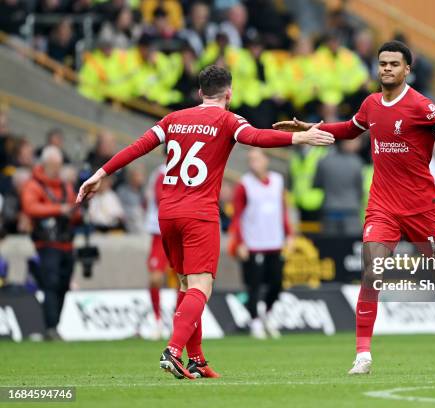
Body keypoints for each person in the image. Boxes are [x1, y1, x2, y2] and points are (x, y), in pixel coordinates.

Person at [76, 65, 334, 380]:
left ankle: (196, 358)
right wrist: (300, 137)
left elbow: (137, 148)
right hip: (199, 214)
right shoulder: (228, 119)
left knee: (186, 285)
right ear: (229, 93)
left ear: (200, 93)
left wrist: (99, 175)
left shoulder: (173, 119)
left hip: (167, 214)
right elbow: (255, 138)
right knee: (202, 285)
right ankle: (173, 350)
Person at [274, 40, 435, 374]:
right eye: (382, 63)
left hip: (422, 208)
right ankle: (362, 355)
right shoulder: (371, 104)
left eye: (393, 64)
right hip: (382, 206)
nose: (386, 68)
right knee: (372, 271)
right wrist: (310, 129)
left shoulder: (421, 107)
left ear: (407, 70)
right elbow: (347, 130)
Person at [229, 148, 292, 339]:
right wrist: (239, 241)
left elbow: (283, 210)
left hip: (274, 241)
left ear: (266, 160)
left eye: (256, 159)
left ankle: (268, 313)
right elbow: (237, 216)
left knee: (277, 283)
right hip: (253, 243)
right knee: (254, 285)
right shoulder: (244, 185)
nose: (253, 163)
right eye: (250, 160)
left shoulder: (277, 181)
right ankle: (255, 320)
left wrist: (289, 233)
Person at [20, 146, 79, 340]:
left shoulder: (65, 185)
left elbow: (72, 208)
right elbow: (30, 207)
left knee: (62, 285)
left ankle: (54, 325)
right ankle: (51, 326)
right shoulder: (34, 184)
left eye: (58, 165)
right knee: (51, 284)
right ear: (44, 164)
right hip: (46, 244)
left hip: (66, 244)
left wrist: (78, 212)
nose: (56, 169)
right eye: (53, 165)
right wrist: (57, 209)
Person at [314, 138, 363, 235]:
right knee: (351, 245)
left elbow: (317, 184)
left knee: (331, 246)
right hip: (351, 212)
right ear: (344, 142)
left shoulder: (324, 161)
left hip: (330, 210)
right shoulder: (357, 162)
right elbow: (360, 190)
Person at [144, 162, 169, 339]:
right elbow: (160, 199)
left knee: (187, 278)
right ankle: (156, 319)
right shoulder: (161, 173)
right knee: (155, 277)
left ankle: (181, 321)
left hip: (184, 230)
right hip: (160, 231)